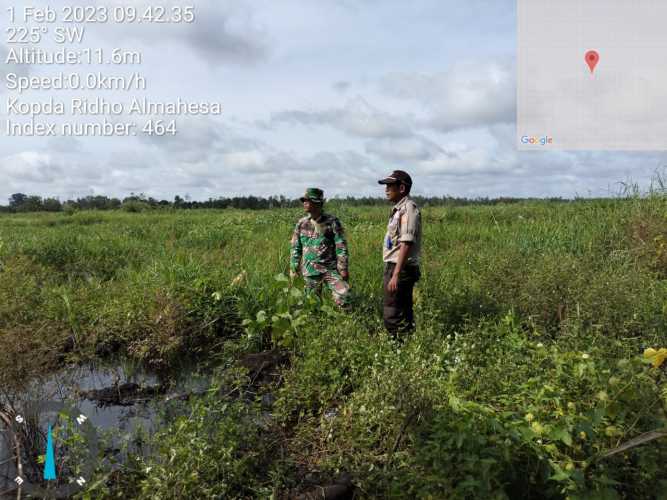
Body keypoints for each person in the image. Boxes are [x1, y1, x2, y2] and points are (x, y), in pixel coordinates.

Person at [378, 170, 421, 337]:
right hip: (396, 267)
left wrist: (395, 274)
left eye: (390, 186)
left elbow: (407, 242)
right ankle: (407, 348)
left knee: (392, 313)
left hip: (400, 268)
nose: (386, 189)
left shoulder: (408, 209)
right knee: (403, 310)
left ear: (402, 188)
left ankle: (397, 349)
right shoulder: (398, 209)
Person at [290, 188, 350, 307]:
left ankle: (345, 321)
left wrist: (343, 268)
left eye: (308, 200)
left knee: (344, 294)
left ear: (318, 203)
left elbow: (341, 245)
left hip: (330, 270)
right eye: (304, 200)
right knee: (312, 304)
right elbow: (295, 247)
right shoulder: (302, 223)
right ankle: (317, 323)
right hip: (310, 272)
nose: (305, 203)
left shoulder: (332, 222)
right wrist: (294, 267)